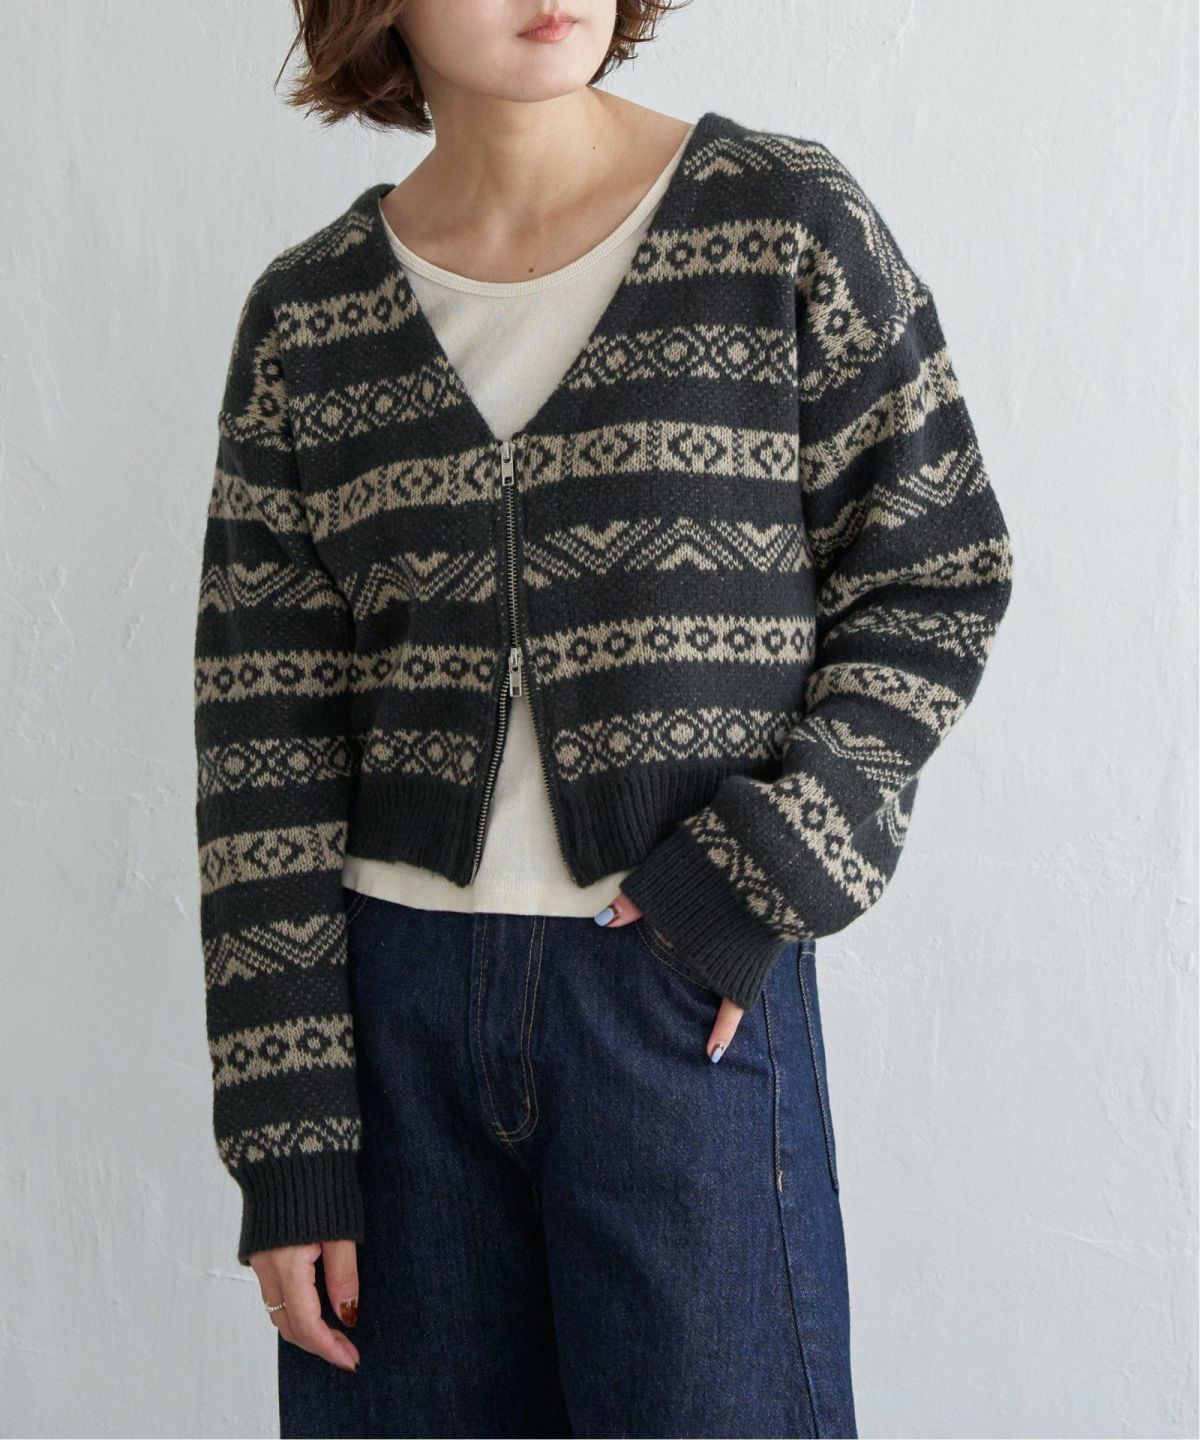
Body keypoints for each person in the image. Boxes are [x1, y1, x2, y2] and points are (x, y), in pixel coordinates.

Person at [192, 2, 1015, 1434]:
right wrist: (287, 1138)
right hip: (389, 1038)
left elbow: (935, 575)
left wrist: (766, 869)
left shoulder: (780, 223)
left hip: (675, 990)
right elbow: (261, 744)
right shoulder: (309, 320)